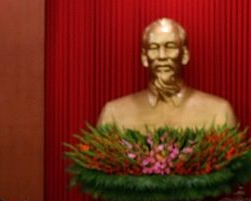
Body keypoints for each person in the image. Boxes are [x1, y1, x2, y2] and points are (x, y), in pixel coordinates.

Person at [97, 18, 237, 131]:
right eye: (154, 48)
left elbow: (237, 165)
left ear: (185, 55)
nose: (162, 56)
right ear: (144, 58)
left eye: (170, 47)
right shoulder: (113, 113)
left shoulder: (218, 112)